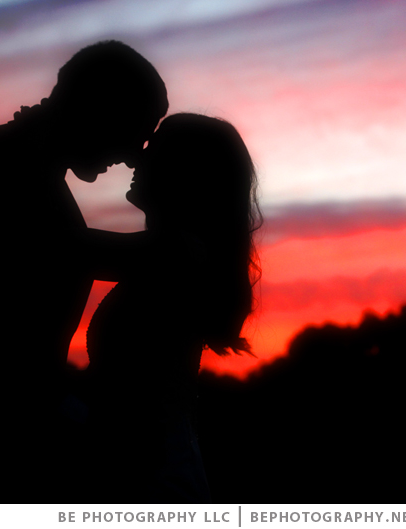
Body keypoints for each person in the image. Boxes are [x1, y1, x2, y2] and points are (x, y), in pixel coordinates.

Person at [0, 41, 168, 499]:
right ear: (96, 107)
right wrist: (183, 243)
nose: (133, 156)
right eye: (134, 132)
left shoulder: (30, 178)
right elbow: (70, 253)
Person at [82, 113, 262, 503]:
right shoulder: (173, 253)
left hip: (154, 482)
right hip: (148, 474)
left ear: (182, 171)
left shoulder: (176, 253)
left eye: (153, 147)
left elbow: (63, 248)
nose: (136, 159)